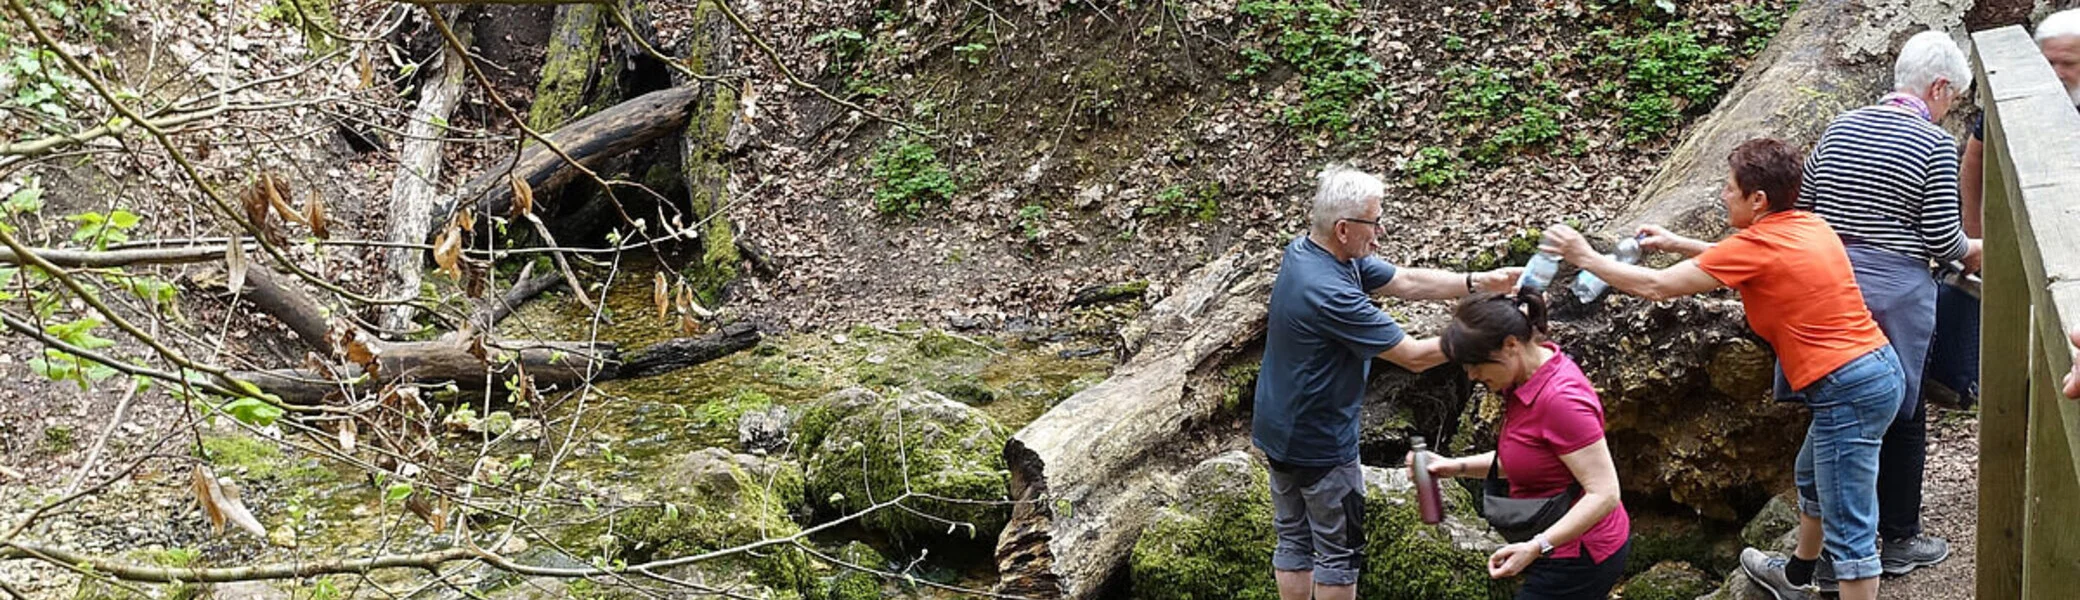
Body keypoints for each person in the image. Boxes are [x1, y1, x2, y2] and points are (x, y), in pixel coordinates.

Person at [1542, 138, 1902, 600]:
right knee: (1812, 478)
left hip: (1846, 387)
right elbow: (1743, 258)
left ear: (1758, 199)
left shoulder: (1762, 245)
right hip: (1874, 370)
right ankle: (1797, 576)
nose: (1723, 195)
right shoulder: (1807, 225)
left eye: (1730, 188)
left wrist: (1585, 257)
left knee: (1851, 531)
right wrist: (1676, 243)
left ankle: (1841, 582)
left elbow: (1656, 286)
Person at [1252, 165, 1520, 600]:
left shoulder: (1308, 252)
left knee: (1293, 539)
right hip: (1320, 442)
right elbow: (1413, 356)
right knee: (1339, 553)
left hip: (1277, 427)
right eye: (1374, 222)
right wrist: (1486, 335)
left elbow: (1405, 280)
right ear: (1343, 229)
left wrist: (1478, 283)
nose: (1380, 233)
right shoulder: (1330, 292)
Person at [1795, 30, 1983, 582]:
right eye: (1953, 99)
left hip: (1828, 287)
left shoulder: (1839, 126)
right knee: (1902, 409)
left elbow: (1804, 207)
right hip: (1894, 299)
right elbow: (1943, 240)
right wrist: (1977, 249)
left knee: (1832, 408)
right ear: (1939, 87)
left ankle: (1822, 549)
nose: (1949, 110)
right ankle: (1895, 539)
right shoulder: (1933, 144)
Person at [1409, 293, 1629, 599]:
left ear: (1511, 345)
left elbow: (1604, 494)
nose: (1472, 375)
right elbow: (1528, 459)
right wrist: (1451, 467)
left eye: (1476, 365)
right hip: (1547, 542)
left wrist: (1536, 546)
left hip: (1580, 555)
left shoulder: (1562, 400)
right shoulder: (1521, 380)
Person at [1948, 10, 2080, 407]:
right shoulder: (2021, 95)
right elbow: (1975, 157)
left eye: (2068, 63)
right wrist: (1975, 234)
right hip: (2024, 236)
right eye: (2048, 62)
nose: (2056, 73)